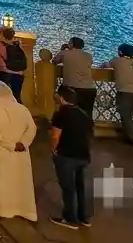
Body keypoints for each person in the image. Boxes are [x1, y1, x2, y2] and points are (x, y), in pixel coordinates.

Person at [0, 80, 37, 222]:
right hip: (21, 152)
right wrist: (23, 143)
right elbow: (32, 128)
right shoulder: (22, 109)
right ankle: (24, 210)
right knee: (20, 179)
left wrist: (10, 145)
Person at [48, 86, 93, 230]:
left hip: (66, 155)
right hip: (83, 155)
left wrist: (54, 150)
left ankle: (70, 219)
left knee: (68, 188)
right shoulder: (84, 114)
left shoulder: (61, 114)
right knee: (80, 187)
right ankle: (83, 217)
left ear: (61, 98)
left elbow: (55, 135)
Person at [101, 43, 133, 146]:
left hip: (125, 93)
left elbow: (106, 65)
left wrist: (101, 65)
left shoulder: (117, 61)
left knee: (126, 117)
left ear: (120, 52)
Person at [52, 37, 96, 116]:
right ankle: (87, 127)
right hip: (90, 89)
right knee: (87, 113)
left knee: (67, 112)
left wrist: (62, 50)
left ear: (71, 44)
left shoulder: (65, 53)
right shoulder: (88, 55)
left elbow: (54, 61)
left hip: (72, 88)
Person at [0, 26, 27, 101]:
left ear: (2, 35)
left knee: (2, 97)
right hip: (19, 75)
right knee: (16, 96)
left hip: (4, 76)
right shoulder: (18, 45)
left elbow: (0, 65)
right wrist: (18, 72)